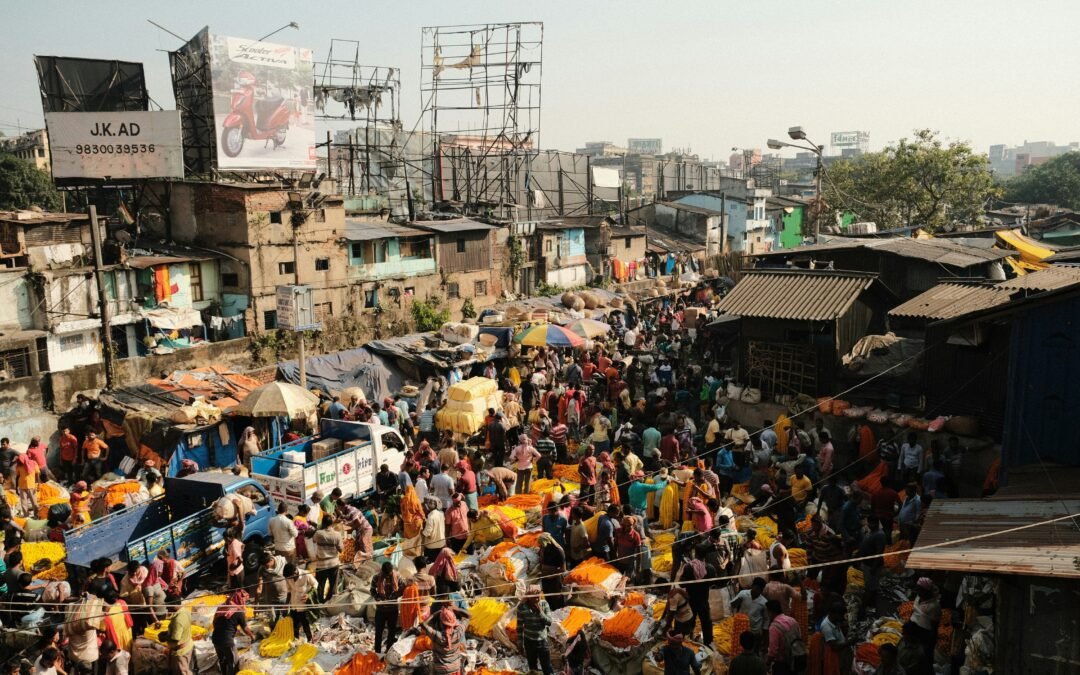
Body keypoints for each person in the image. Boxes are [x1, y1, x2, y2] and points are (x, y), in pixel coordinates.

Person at [211, 590, 255, 675]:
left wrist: (228, 626)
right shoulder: (239, 611)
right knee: (234, 663)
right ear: (240, 600)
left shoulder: (222, 607)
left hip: (215, 638)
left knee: (222, 660)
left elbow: (214, 623)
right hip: (226, 641)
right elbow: (245, 628)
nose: (244, 602)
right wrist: (252, 636)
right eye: (244, 600)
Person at [420, 605, 471, 675]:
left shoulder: (436, 635)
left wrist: (437, 613)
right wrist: (455, 609)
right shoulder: (458, 633)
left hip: (440, 670)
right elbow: (468, 616)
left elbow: (423, 624)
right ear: (454, 622)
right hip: (455, 668)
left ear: (441, 623)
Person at [517, 585, 556, 675]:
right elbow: (519, 626)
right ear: (528, 597)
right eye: (534, 597)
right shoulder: (522, 607)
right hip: (529, 641)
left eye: (538, 596)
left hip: (542, 641)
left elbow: (549, 622)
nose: (537, 599)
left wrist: (540, 613)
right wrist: (519, 642)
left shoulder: (544, 604)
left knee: (547, 666)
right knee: (532, 667)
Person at [766, 598, 805, 675]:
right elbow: (799, 636)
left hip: (782, 664)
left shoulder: (774, 627)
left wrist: (767, 663)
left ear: (770, 612)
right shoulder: (793, 620)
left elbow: (773, 651)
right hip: (796, 658)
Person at [371, 561, 403, 654]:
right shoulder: (376, 577)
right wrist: (377, 597)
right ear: (382, 571)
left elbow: (402, 588)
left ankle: (388, 651)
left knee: (392, 632)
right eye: (386, 575)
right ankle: (377, 652)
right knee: (378, 632)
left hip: (393, 610)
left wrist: (395, 595)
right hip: (380, 610)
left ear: (392, 571)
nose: (387, 577)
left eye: (389, 575)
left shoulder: (398, 576)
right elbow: (372, 590)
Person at [285, 563, 317, 641]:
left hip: (303, 604)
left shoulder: (306, 574)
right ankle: (296, 638)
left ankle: (310, 638)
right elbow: (289, 591)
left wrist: (309, 594)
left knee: (305, 622)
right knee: (295, 623)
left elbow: (315, 584)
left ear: (295, 572)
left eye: (291, 577)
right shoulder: (288, 578)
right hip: (294, 603)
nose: (290, 579)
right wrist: (287, 603)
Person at [816, 603, 850, 675]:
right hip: (835, 657)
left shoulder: (833, 620)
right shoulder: (826, 627)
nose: (842, 617)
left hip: (841, 653)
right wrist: (850, 642)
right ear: (835, 614)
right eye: (841, 615)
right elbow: (835, 646)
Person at [163, 605, 196, 675]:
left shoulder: (178, 620)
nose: (167, 608)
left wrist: (164, 638)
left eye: (168, 606)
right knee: (186, 669)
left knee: (182, 672)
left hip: (181, 651)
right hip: (187, 645)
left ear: (174, 605)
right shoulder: (185, 610)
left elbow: (176, 638)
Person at [258, 553, 290, 623]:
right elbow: (259, 588)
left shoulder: (283, 563)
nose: (266, 568)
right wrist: (256, 603)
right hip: (272, 600)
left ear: (271, 560)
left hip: (285, 597)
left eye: (267, 565)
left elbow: (290, 579)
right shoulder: (262, 569)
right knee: (274, 620)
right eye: (264, 566)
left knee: (286, 618)